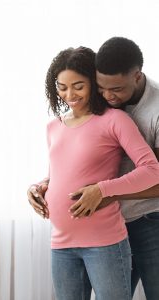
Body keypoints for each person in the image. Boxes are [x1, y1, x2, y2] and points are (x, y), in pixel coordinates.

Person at [28, 37, 159, 299]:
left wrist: (102, 191)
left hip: (137, 225)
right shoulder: (55, 126)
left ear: (136, 78)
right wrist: (42, 187)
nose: (109, 96)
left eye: (78, 86)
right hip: (70, 237)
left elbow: (153, 171)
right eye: (62, 87)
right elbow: (68, 169)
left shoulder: (129, 116)